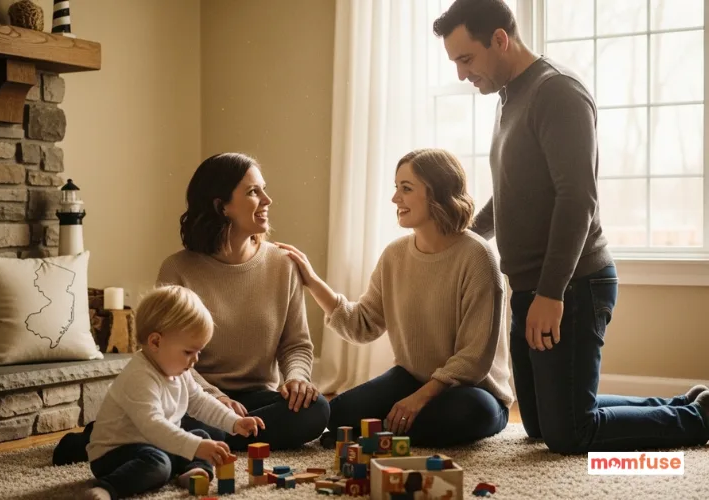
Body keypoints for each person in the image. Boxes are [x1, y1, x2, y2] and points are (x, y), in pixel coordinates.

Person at [433, 0, 709, 454]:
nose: (462, 75)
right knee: (541, 425)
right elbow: (510, 197)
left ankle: (700, 417)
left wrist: (550, 293)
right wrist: (462, 239)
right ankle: (684, 403)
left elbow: (577, 199)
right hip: (528, 286)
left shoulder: (556, 92)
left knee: (570, 433)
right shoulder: (508, 98)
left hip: (573, 285)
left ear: (500, 40)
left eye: (467, 59)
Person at [278, 148, 514, 448]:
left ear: (437, 193)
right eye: (396, 188)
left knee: (467, 413)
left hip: (473, 390)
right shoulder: (395, 255)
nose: (395, 199)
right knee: (340, 415)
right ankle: (389, 434)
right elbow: (362, 324)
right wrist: (311, 281)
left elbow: (473, 359)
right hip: (411, 378)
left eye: (406, 188)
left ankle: (377, 437)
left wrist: (420, 398)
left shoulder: (478, 257)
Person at [156, 152, 330, 451]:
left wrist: (297, 379)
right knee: (185, 417)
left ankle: (209, 438)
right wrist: (215, 399)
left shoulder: (282, 264)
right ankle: (213, 434)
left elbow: (296, 344)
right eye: (253, 192)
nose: (267, 200)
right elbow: (168, 354)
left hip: (256, 398)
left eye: (263, 189)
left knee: (317, 410)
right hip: (197, 396)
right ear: (220, 206)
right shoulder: (177, 269)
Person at [82, 285, 264, 500]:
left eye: (198, 351)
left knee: (202, 436)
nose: (195, 359)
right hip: (115, 454)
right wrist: (194, 446)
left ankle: (192, 472)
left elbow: (200, 401)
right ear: (156, 342)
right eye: (188, 352)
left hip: (156, 444)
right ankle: (108, 488)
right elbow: (153, 425)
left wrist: (234, 422)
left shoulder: (179, 371)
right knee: (159, 463)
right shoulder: (139, 376)